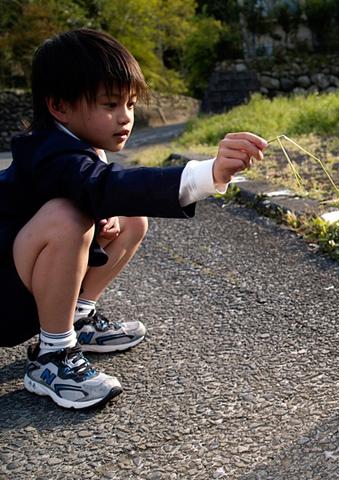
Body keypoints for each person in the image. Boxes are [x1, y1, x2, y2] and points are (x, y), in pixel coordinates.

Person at [0, 29, 268, 409]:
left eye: (130, 103)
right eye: (110, 104)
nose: (125, 117)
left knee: (131, 218)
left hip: (28, 278)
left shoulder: (79, 144)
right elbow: (99, 187)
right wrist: (206, 174)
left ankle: (76, 318)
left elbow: (100, 190)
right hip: (6, 300)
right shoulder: (47, 150)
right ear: (59, 105)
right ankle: (53, 357)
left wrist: (100, 214)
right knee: (66, 216)